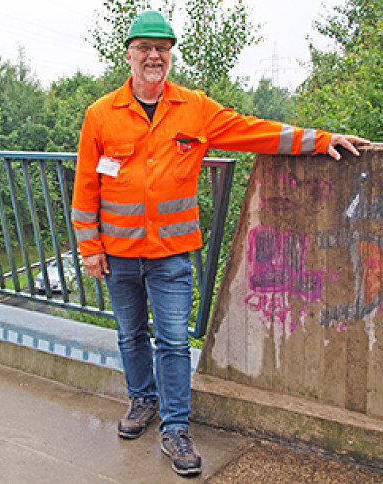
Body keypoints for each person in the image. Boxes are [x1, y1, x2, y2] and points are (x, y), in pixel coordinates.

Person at [71, 10, 370, 477]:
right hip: (119, 254)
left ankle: (175, 428)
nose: (154, 55)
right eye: (145, 48)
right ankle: (142, 400)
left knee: (172, 340)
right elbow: (86, 188)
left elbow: (256, 131)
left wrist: (321, 139)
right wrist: (90, 249)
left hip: (171, 254)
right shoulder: (100, 115)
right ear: (128, 54)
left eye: (162, 48)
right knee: (130, 334)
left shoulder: (195, 109)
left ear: (170, 56)